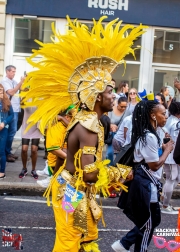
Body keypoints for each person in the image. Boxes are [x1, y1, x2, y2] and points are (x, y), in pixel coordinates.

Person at [20, 16, 146, 252]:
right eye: (110, 92)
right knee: (69, 241)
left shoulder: (95, 122)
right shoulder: (88, 127)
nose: (115, 96)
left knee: (86, 237)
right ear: (98, 97)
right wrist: (120, 172)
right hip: (71, 191)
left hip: (78, 191)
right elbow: (89, 175)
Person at [112, 100, 174, 252]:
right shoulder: (148, 137)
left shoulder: (149, 134)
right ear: (153, 116)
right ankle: (126, 244)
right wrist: (167, 150)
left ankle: (125, 244)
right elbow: (154, 165)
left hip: (146, 181)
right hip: (145, 182)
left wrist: (163, 145)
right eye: (163, 114)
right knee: (148, 222)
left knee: (152, 220)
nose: (166, 117)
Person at [1, 65, 25, 162]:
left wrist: (26, 81)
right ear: (7, 71)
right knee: (8, 132)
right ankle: (6, 153)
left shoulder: (14, 81)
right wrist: (20, 82)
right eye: (12, 71)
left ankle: (8, 152)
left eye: (15, 71)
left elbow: (23, 89)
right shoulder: (4, 81)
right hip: (9, 110)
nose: (14, 73)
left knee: (12, 132)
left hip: (16, 109)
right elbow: (11, 92)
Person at [161, 101, 180, 214]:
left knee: (175, 179)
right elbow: (177, 141)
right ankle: (165, 205)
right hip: (172, 155)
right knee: (171, 179)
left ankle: (163, 199)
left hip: (168, 153)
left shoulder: (168, 120)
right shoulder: (176, 123)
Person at [19, 105, 43, 179]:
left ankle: (33, 170)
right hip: (26, 125)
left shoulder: (42, 97)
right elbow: (21, 104)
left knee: (34, 150)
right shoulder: (26, 94)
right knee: (24, 149)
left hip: (36, 126)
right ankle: (24, 168)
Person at [107, 97, 130, 165]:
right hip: (110, 133)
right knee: (109, 153)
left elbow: (124, 124)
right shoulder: (111, 109)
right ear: (117, 104)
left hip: (119, 135)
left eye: (125, 107)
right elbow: (107, 120)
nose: (123, 108)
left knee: (119, 154)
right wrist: (111, 125)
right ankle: (108, 168)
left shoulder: (127, 112)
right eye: (121, 106)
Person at [0, 84, 14, 179]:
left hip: (3, 130)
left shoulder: (6, 101)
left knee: (1, 151)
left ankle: (2, 171)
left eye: (1, 91)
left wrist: (4, 123)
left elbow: (11, 115)